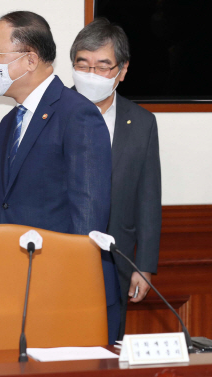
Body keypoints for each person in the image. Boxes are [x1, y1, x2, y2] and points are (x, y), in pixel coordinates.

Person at [0, 11, 117, 341]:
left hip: (64, 292)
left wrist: (67, 293)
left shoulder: (77, 114)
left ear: (29, 59)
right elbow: (2, 198)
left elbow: (88, 218)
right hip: (20, 286)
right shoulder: (10, 123)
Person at [70, 18, 162, 340]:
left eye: (103, 66)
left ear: (122, 71)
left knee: (108, 351)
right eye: (83, 64)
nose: (91, 75)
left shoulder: (141, 122)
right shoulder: (51, 112)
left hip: (116, 260)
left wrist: (145, 264)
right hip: (59, 257)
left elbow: (148, 198)